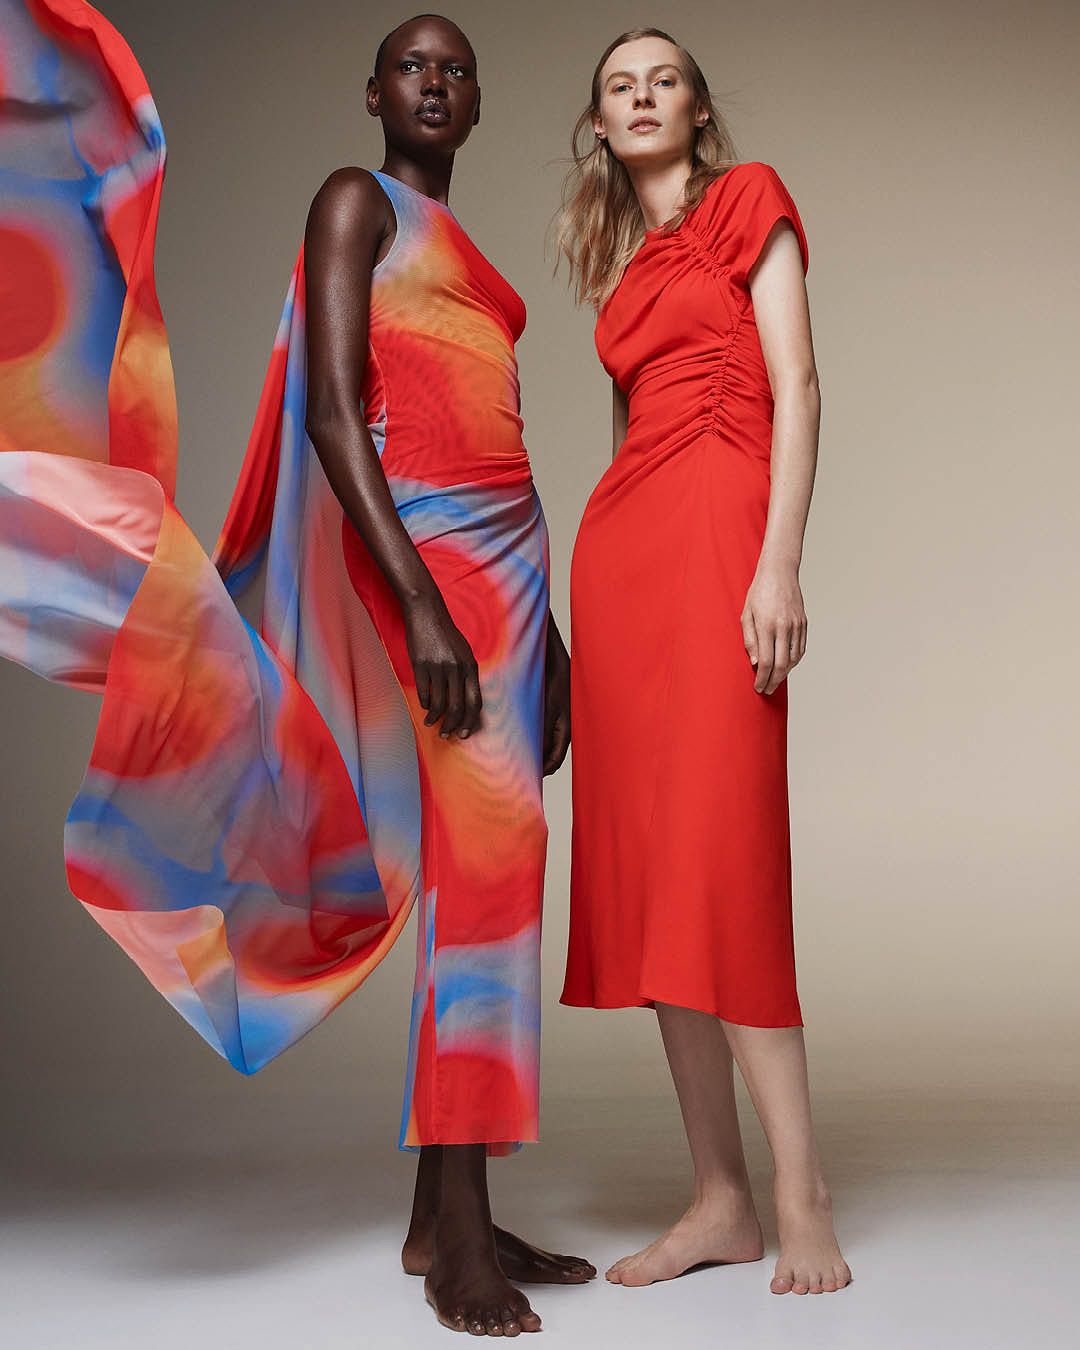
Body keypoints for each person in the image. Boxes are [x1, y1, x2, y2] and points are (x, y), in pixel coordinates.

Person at [0, 2, 592, 1335]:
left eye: (457, 70)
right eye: (412, 66)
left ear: (479, 106)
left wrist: (544, 629)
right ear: (374, 91)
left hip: (508, 570)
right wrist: (425, 608)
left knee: (483, 869)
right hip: (430, 567)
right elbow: (337, 411)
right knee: (492, 869)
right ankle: (456, 1248)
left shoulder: (468, 253)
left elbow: (501, 438)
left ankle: (447, 1213)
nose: (434, 82)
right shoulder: (355, 206)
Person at [554, 27, 852, 1296]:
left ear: (697, 106)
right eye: (620, 85)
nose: (641, 97)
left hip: (727, 538)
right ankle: (720, 1198)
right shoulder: (615, 277)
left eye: (662, 78)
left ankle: (799, 1189)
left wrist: (778, 562)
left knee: (724, 855)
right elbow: (626, 445)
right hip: (625, 566)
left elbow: (797, 377)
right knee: (656, 878)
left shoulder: (749, 200)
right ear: (601, 122)